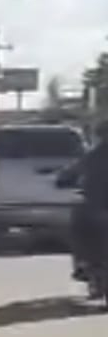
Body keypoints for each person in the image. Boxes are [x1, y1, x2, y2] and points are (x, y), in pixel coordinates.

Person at [58, 120, 108, 281]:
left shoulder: (93, 155)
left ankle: (82, 263)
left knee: (77, 224)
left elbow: (70, 173)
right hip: (97, 208)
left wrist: (63, 179)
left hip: (95, 207)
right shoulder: (92, 155)